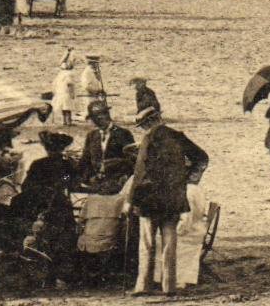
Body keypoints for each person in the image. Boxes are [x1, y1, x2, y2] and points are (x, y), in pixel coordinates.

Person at [127, 106, 208, 296]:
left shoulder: (149, 139)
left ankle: (143, 285)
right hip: (173, 197)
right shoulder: (177, 136)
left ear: (148, 123)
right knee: (169, 242)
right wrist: (187, 178)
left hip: (149, 198)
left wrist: (131, 200)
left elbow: (140, 173)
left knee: (147, 242)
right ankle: (169, 286)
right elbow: (202, 158)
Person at [10, 131, 80, 286]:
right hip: (58, 205)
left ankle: (43, 272)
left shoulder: (38, 164)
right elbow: (72, 183)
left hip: (38, 204)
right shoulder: (66, 165)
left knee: (43, 236)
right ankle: (61, 276)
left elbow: (26, 186)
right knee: (64, 239)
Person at [77, 101, 135, 194]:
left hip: (116, 183)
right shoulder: (92, 135)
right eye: (94, 119)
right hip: (96, 183)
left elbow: (131, 160)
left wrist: (123, 176)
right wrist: (86, 178)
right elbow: (85, 160)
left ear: (107, 115)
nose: (97, 122)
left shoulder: (123, 134)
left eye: (100, 118)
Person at [51, 51, 79, 126]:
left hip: (60, 93)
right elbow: (69, 84)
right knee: (68, 109)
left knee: (64, 109)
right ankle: (68, 122)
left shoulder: (60, 73)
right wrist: (72, 94)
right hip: (66, 94)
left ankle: (65, 121)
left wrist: (67, 53)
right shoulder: (69, 74)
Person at [79, 54, 106, 119]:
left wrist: (100, 90)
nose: (97, 65)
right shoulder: (87, 72)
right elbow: (86, 86)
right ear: (92, 63)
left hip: (95, 95)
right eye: (96, 63)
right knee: (91, 110)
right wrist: (97, 90)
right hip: (90, 95)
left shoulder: (94, 71)